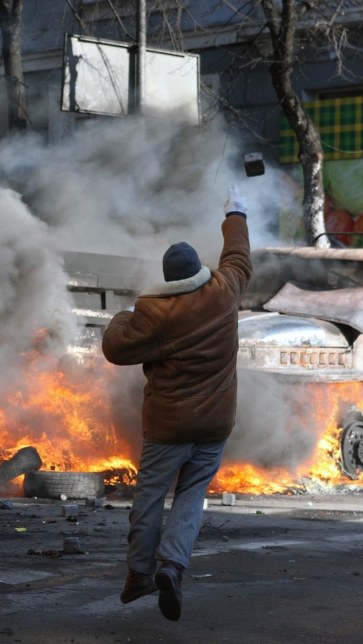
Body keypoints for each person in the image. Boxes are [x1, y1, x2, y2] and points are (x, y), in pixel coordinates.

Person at [101, 185, 252, 621]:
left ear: (169, 280)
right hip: (215, 426)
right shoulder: (226, 291)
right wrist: (235, 211)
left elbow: (116, 347)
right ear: (200, 271)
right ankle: (172, 564)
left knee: (149, 500)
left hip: (167, 428)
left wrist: (127, 313)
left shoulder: (154, 314)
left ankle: (138, 575)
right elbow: (238, 255)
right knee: (191, 496)